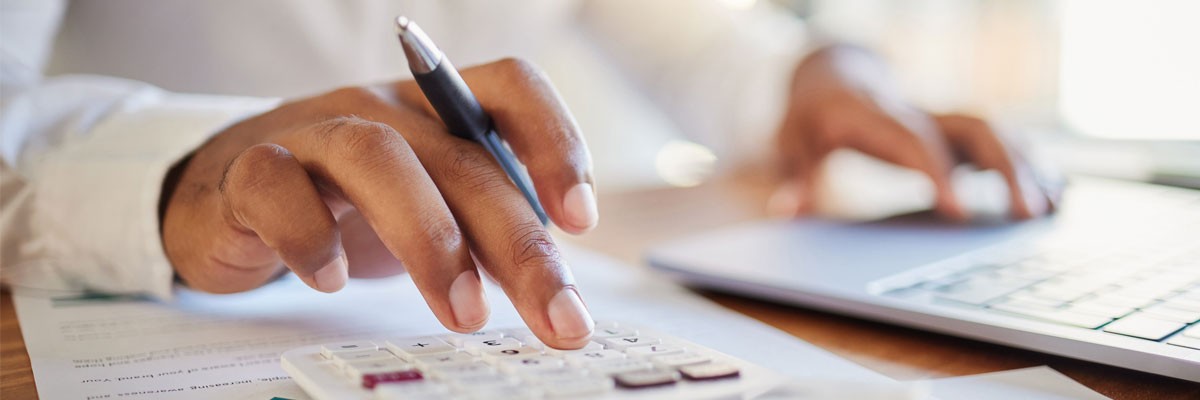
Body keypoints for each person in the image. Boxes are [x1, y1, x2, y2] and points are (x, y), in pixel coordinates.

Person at [0, 0, 1055, 349]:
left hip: (615, 281)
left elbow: (697, 44)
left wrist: (823, 70)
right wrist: (169, 177)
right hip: (180, 299)